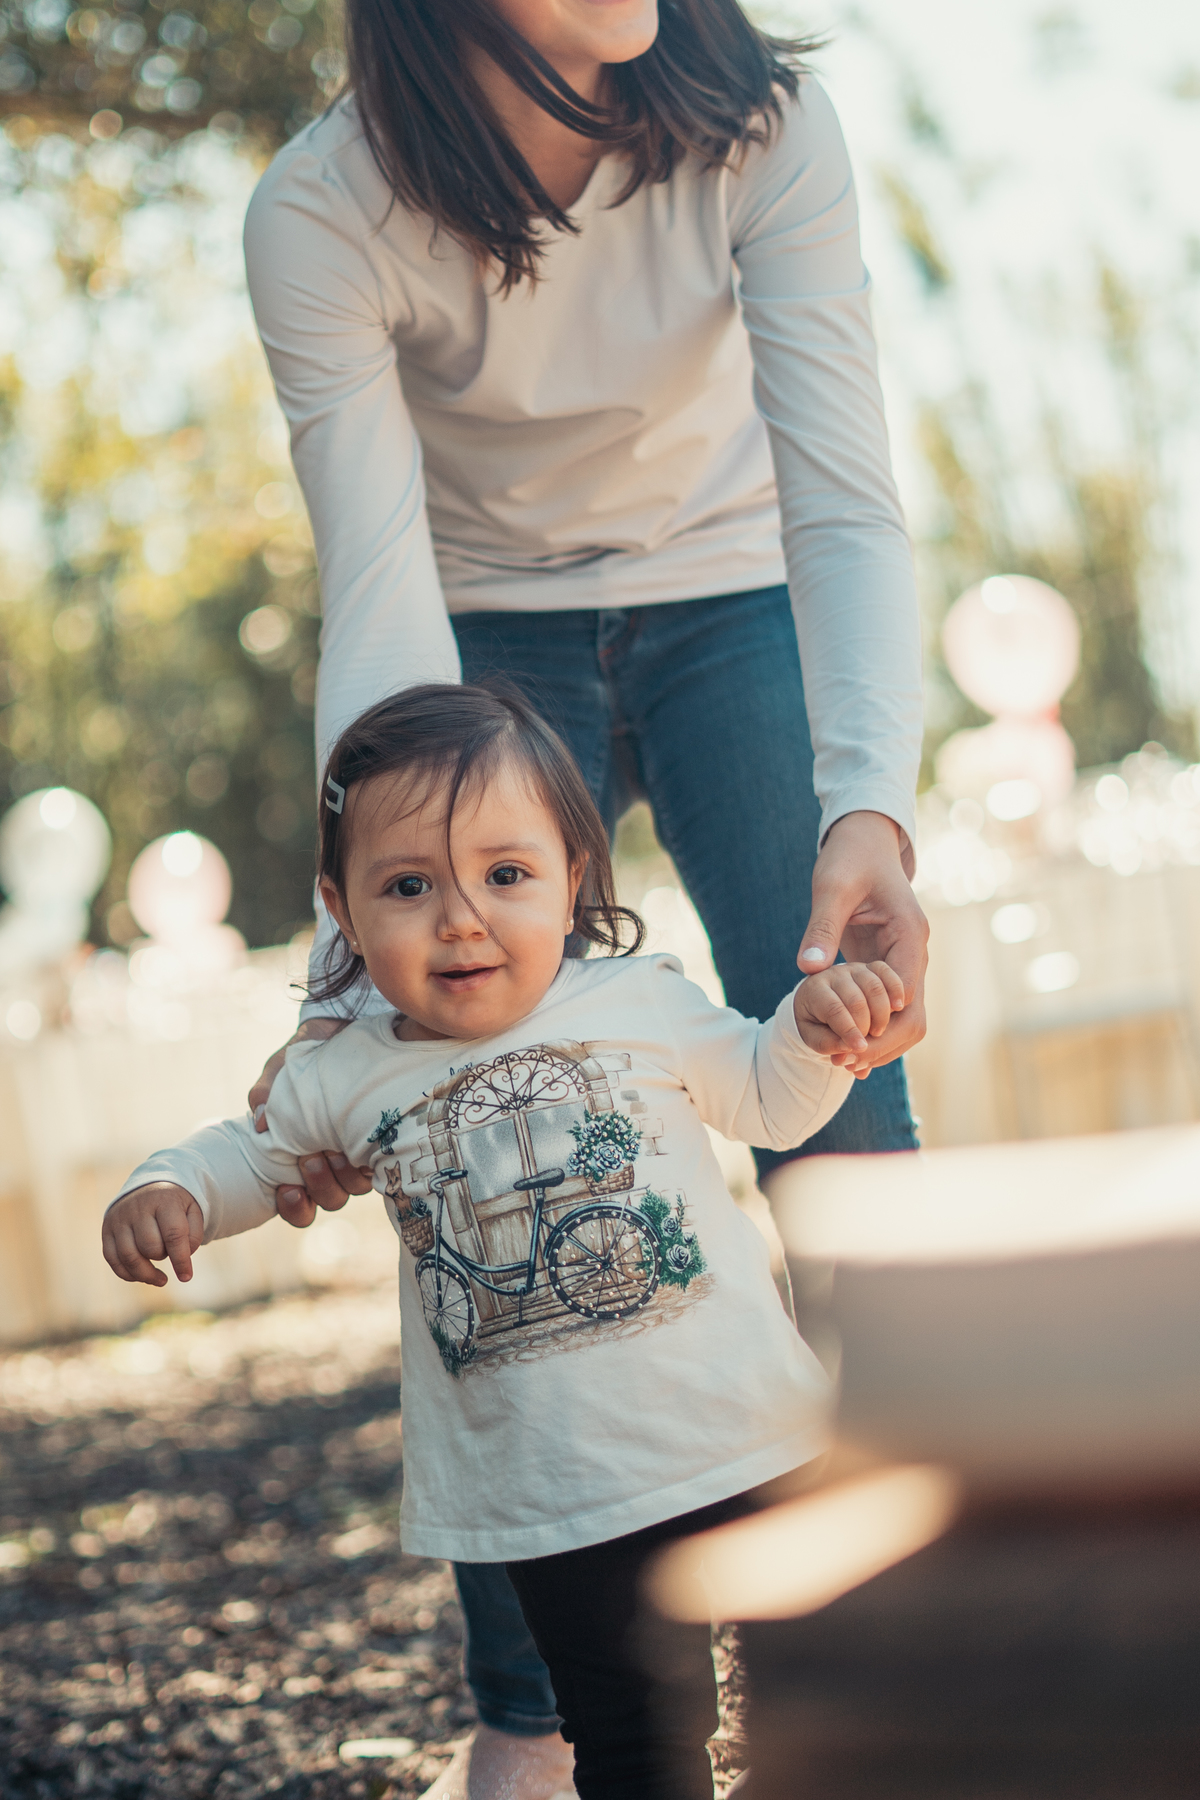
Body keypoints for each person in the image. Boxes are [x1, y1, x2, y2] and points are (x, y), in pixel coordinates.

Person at [241, 0, 928, 1788]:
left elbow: (847, 497)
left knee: (845, 1097)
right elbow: (375, 576)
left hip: (737, 589)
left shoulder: (760, 127)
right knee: (472, 1112)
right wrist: (361, 947)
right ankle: (534, 1715)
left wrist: (871, 807)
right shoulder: (323, 212)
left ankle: (886, 1635)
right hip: (478, 633)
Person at [103, 685, 907, 1800]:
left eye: (506, 874)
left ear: (573, 874)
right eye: (408, 886)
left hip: (744, 1433)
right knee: (631, 1742)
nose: (463, 917)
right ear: (341, 907)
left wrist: (820, 1034)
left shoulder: (637, 1000)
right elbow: (250, 1155)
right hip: (553, 1497)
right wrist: (171, 1186)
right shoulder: (344, 1071)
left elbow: (770, 1099)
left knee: (814, 1696)